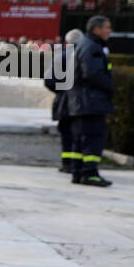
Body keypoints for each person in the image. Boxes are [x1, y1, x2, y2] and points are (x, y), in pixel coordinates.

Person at [66, 14, 115, 187]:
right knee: (94, 137)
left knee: (81, 138)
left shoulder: (85, 45)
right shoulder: (92, 47)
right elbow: (93, 73)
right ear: (96, 29)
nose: (109, 31)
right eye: (107, 27)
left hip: (83, 102)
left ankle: (78, 172)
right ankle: (90, 173)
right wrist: (110, 85)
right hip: (91, 102)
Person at [45, 28, 84, 176]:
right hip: (81, 102)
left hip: (63, 102)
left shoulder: (59, 57)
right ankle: (77, 164)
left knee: (66, 134)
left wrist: (61, 91)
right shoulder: (85, 56)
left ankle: (66, 164)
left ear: (67, 42)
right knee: (79, 134)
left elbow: (49, 81)